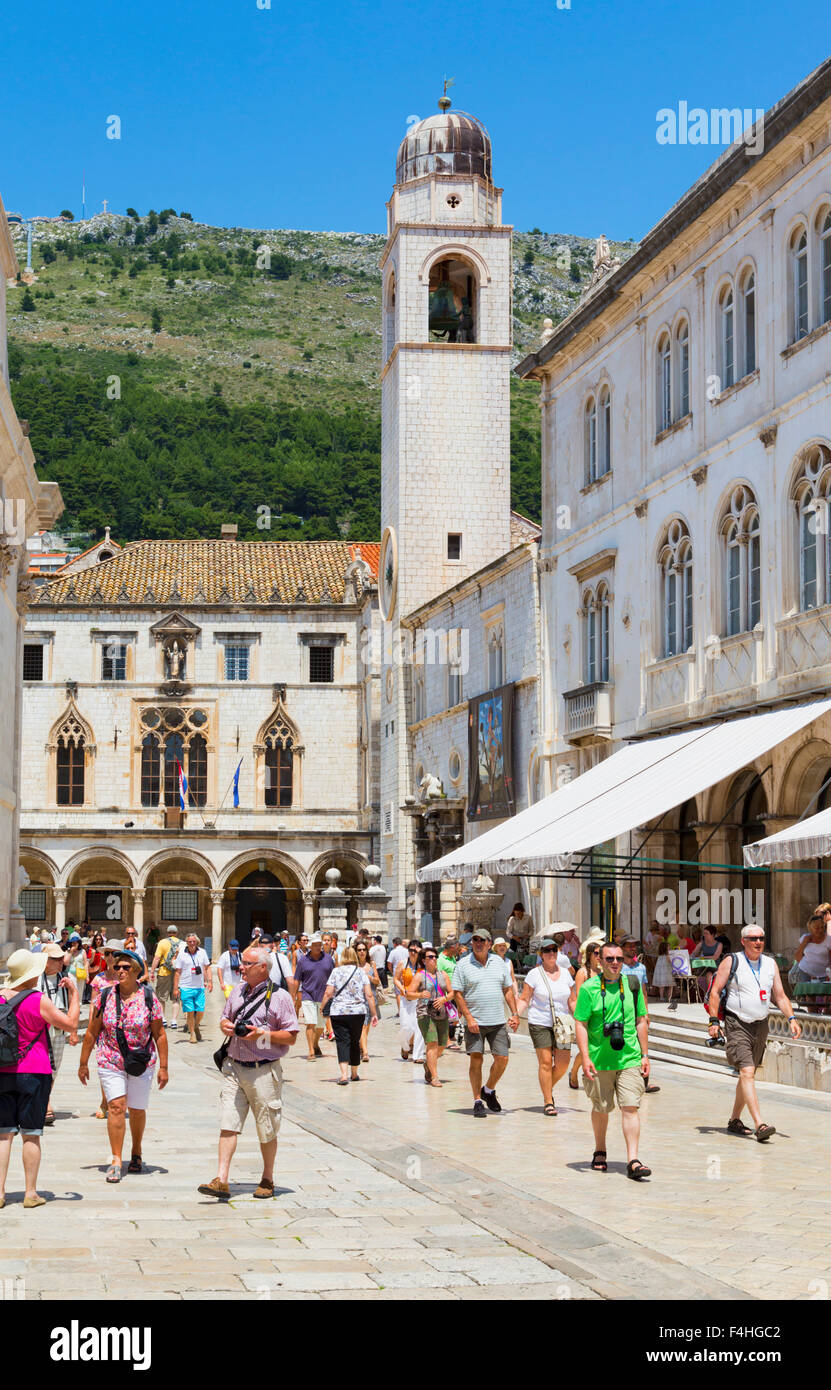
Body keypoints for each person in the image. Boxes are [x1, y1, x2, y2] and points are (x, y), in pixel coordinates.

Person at [199, 944, 300, 1201]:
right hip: (234, 1066)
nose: (240, 967)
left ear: (262, 968)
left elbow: (291, 1036)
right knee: (228, 1124)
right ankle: (221, 1180)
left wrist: (262, 1034)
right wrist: (226, 1026)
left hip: (264, 1071)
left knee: (267, 1127)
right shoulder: (238, 992)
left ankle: (267, 1178)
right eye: (241, 963)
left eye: (246, 963)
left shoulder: (281, 997)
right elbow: (224, 1018)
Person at [78, 948, 168, 1182]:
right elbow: (91, 1031)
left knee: (137, 1109)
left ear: (136, 971)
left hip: (141, 1060)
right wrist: (83, 1062)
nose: (119, 970)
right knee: (117, 1106)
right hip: (111, 1059)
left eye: (125, 967)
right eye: (116, 967)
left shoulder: (149, 998)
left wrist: (164, 1067)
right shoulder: (105, 996)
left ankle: (136, 1151)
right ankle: (116, 1158)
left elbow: (159, 1034)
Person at [0, 950, 80, 1208]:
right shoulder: (38, 1000)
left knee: (3, 1135)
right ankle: (30, 1193)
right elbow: (70, 1024)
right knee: (31, 1134)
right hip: (34, 1071)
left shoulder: (0, 998)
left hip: (3, 1070)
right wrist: (74, 994)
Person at [708, 925, 800, 1142]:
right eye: (753, 938)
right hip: (737, 1022)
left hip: (761, 1024)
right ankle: (760, 1124)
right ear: (743, 941)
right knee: (747, 1071)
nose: (758, 942)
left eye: (761, 938)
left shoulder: (770, 964)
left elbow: (780, 995)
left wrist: (792, 1018)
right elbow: (715, 991)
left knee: (747, 1073)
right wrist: (713, 1021)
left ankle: (734, 1120)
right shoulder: (732, 961)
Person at [573, 941, 652, 1180]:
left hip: (629, 1057)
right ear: (600, 961)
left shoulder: (632, 985)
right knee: (601, 1107)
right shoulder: (588, 989)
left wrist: (645, 1054)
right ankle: (600, 1149)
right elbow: (581, 1023)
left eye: (619, 958)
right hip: (599, 1060)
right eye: (610, 959)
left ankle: (633, 1160)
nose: (615, 963)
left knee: (630, 1106)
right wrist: (585, 1057)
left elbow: (641, 1020)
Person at [451, 928, 519, 1117]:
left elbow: (507, 989)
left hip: (497, 1021)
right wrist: (469, 1018)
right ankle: (477, 1101)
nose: (478, 943)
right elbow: (457, 994)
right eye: (475, 940)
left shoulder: (498, 963)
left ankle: (488, 1090)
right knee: (476, 1058)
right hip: (475, 1022)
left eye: (482, 940)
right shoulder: (463, 965)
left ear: (489, 944)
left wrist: (514, 1013)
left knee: (503, 1058)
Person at [516, 939, 574, 1116]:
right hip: (540, 1021)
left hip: (563, 1022)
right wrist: (515, 1015)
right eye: (547, 950)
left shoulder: (565, 973)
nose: (551, 953)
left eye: (554, 950)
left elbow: (572, 999)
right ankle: (548, 1100)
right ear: (541, 954)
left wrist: (581, 1018)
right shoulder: (534, 974)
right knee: (546, 1063)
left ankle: (546, 1086)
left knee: (563, 1064)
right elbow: (525, 998)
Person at [321, 946, 378, 1084]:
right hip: (358, 1012)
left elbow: (328, 993)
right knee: (354, 1041)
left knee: (342, 1042)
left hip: (338, 1012)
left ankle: (344, 1075)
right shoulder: (361, 972)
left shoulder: (336, 972)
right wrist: (374, 1014)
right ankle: (354, 1073)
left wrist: (322, 1007)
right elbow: (369, 995)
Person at [38, 943, 77, 1125]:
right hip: (40, 1030)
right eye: (56, 959)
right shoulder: (36, 979)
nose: (61, 962)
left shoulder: (67, 977)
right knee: (41, 1067)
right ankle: (44, 1104)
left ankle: (45, 1099)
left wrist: (74, 1031)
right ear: (46, 962)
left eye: (62, 958)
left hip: (59, 1030)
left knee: (54, 1069)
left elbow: (72, 1005)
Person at [407, 945, 453, 1086]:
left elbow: (452, 993)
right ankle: (434, 1077)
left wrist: (444, 999)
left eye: (435, 957)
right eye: (430, 957)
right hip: (425, 1013)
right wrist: (420, 994)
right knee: (432, 1043)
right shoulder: (420, 976)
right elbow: (408, 994)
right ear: (424, 960)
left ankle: (428, 1064)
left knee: (442, 1044)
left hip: (441, 1013)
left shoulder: (443, 975)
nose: (433, 959)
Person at [294, 934, 334, 1059]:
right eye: (315, 945)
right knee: (310, 1022)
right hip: (308, 995)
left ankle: (316, 1044)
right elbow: (297, 979)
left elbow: (335, 976)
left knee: (321, 1025)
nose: (318, 947)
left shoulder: (328, 959)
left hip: (324, 996)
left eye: (319, 945)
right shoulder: (303, 961)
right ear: (310, 946)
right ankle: (311, 1050)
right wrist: (293, 996)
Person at [569, 940, 602, 1089]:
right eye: (596, 953)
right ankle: (574, 1071)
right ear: (590, 955)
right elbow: (580, 995)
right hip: (586, 1014)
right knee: (586, 1048)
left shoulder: (602, 972)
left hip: (599, 1015)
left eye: (600, 953)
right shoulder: (582, 972)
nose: (599, 956)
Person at [173, 932, 212, 1043]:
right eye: (189, 941)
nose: (191, 943)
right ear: (186, 942)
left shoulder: (202, 952)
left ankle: (195, 1026)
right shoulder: (181, 954)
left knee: (200, 1011)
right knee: (190, 1012)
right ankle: (192, 1033)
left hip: (199, 987)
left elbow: (207, 967)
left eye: (193, 941)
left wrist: (210, 981)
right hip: (185, 987)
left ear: (197, 942)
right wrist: (176, 988)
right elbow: (177, 972)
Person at [395, 941, 426, 1063]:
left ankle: (418, 1056)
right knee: (407, 1026)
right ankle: (405, 1045)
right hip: (406, 999)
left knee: (419, 1028)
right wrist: (403, 989)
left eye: (416, 951)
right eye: (410, 950)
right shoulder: (403, 963)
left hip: (419, 998)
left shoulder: (423, 965)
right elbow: (396, 979)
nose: (413, 953)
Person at [792, 911, 831, 1003]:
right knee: (810, 997)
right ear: (810, 928)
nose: (820, 930)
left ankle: (825, 1016)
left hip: (824, 973)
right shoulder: (805, 938)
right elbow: (797, 957)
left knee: (827, 998)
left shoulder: (829, 940)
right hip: (806, 971)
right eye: (817, 928)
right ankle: (812, 1016)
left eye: (822, 927)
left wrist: (829, 974)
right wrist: (805, 942)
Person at [150, 925, 183, 1028]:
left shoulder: (162, 942)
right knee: (176, 998)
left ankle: (163, 1019)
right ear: (177, 933)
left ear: (167, 932)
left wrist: (152, 972)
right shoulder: (182, 943)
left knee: (161, 998)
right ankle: (174, 1021)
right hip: (177, 973)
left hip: (164, 972)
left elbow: (156, 958)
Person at [354, 939, 381, 1061]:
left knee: (366, 1026)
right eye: (359, 950)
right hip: (358, 1000)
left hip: (371, 999)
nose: (361, 952)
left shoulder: (372, 964)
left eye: (364, 949)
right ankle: (365, 1052)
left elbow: (377, 981)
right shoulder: (353, 965)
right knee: (363, 1026)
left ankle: (361, 1046)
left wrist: (368, 976)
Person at [436, 938, 462, 1048]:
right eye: (457, 948)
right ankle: (446, 1040)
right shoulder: (440, 960)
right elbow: (437, 976)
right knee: (445, 1016)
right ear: (452, 948)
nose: (459, 950)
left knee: (456, 1013)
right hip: (445, 992)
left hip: (455, 991)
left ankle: (449, 1035)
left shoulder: (452, 958)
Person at [386, 937, 408, 1016]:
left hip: (397, 974)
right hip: (407, 972)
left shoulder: (393, 952)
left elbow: (389, 963)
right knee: (407, 990)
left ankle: (400, 1011)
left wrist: (392, 972)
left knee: (398, 993)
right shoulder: (407, 951)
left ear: (394, 943)